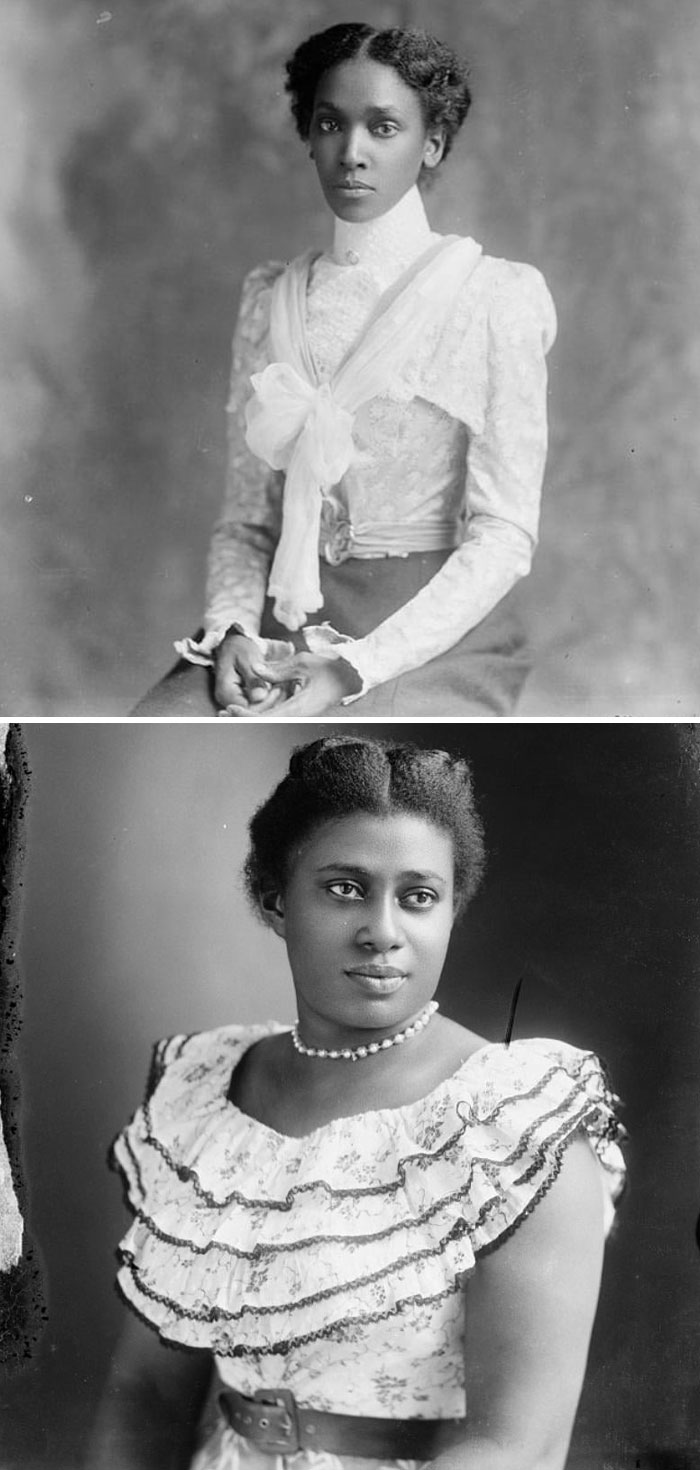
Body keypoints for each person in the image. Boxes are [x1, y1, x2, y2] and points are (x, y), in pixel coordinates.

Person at [91, 736, 626, 1470]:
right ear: (277, 901)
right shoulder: (204, 1093)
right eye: (345, 888)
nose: (383, 931)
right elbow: (145, 1394)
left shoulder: (515, 1123)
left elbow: (516, 1446)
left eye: (418, 897)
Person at [132, 22, 557, 719]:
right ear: (309, 135)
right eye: (331, 123)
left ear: (434, 144)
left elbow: (505, 534)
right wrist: (234, 629)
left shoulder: (493, 296)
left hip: (431, 633)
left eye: (384, 127)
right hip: (284, 622)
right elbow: (246, 523)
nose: (352, 153)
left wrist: (352, 669)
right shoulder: (271, 298)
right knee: (163, 726)